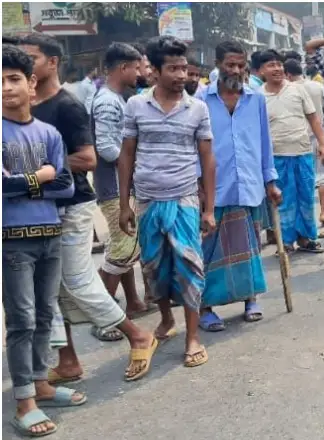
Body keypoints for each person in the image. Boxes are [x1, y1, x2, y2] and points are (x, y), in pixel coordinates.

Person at [20, 33, 158, 382]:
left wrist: (31, 171)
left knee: (78, 281)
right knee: (51, 288)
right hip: (41, 207)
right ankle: (68, 361)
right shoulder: (25, 106)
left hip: (73, 206)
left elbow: (87, 158)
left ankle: (137, 334)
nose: (22, 66)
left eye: (30, 58)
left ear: (52, 62)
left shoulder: (66, 105)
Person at [118, 35, 216, 368]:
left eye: (184, 68)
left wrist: (209, 208)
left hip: (185, 199)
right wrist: (123, 205)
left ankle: (192, 338)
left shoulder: (197, 108)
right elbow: (126, 155)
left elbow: (207, 159)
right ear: (155, 72)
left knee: (190, 269)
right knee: (154, 269)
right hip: (147, 201)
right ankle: (165, 319)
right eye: (173, 68)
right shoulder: (135, 106)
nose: (181, 75)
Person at [2, 43, 81, 438]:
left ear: (31, 84)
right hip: (13, 239)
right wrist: (42, 176)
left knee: (45, 316)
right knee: (21, 320)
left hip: (51, 234)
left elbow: (67, 186)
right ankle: (23, 402)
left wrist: (28, 184)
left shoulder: (48, 132)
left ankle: (41, 383)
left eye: (13, 79)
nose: (6, 88)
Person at [195, 41, 281, 332]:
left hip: (249, 185)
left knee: (249, 246)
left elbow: (264, 142)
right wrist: (197, 184)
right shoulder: (200, 100)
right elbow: (193, 145)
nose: (235, 70)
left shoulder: (255, 98)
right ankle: (205, 308)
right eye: (229, 64)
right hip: (213, 189)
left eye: (240, 65)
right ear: (217, 64)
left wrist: (270, 180)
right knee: (208, 252)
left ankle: (250, 299)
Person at [91, 43, 153, 320]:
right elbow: (106, 147)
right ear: (124, 68)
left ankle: (134, 302)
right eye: (137, 67)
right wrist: (134, 165)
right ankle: (102, 317)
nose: (140, 73)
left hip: (120, 184)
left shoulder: (116, 98)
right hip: (115, 187)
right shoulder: (107, 101)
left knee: (128, 248)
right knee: (122, 248)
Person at [262, 49, 324, 253]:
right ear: (261, 71)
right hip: (276, 157)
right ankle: (286, 243)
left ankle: (306, 238)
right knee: (284, 200)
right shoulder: (257, 96)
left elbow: (313, 118)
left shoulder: (297, 90)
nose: (277, 68)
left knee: (306, 197)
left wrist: (323, 144)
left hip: (302, 153)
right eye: (271, 65)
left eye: (278, 64)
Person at [284, 58, 324, 228]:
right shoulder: (317, 86)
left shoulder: (289, 90)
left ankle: (305, 216)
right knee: (322, 175)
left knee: (303, 180)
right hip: (320, 136)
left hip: (299, 140)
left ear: (287, 74)